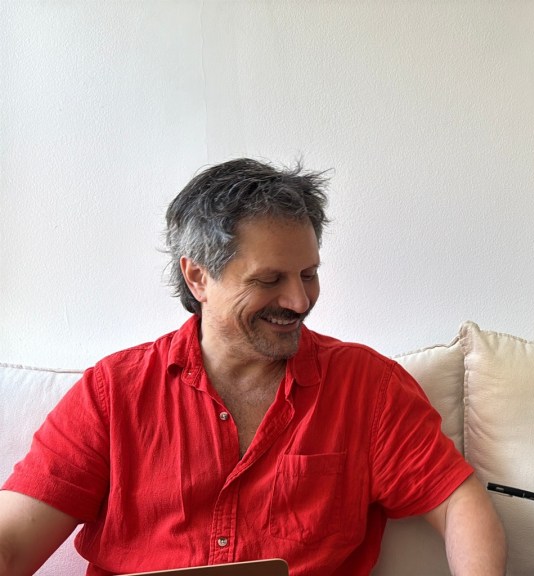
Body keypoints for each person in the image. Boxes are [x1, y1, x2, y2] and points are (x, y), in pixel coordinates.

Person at [0, 158, 507, 576]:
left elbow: (456, 503)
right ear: (198, 277)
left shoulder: (366, 386)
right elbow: (14, 543)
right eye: (269, 280)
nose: (299, 301)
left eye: (308, 274)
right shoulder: (113, 391)